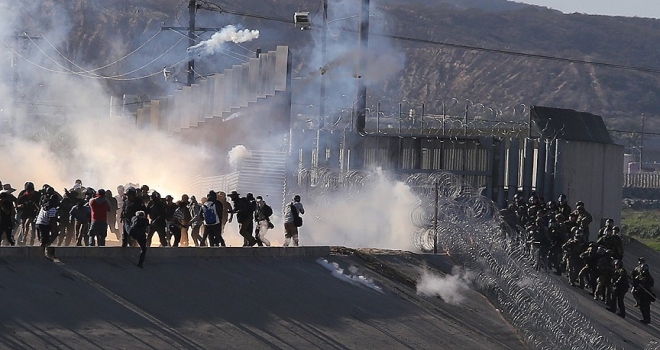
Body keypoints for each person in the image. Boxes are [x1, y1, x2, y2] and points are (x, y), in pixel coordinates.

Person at [631, 257, 655, 324]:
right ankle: (644, 318)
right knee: (641, 306)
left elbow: (651, 284)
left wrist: (644, 286)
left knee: (646, 307)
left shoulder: (649, 278)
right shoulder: (639, 275)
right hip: (640, 292)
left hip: (646, 293)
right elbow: (635, 281)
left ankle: (647, 319)